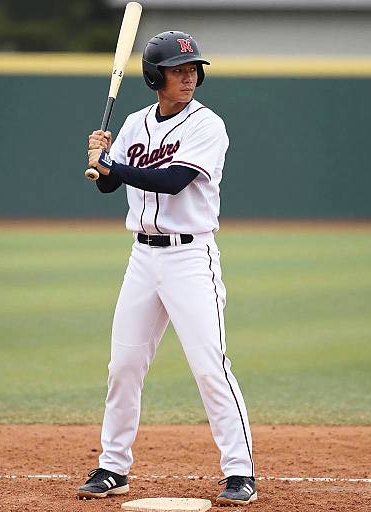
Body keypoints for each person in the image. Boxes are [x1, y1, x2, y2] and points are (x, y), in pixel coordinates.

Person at [77, 31, 256, 506]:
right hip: (142, 258)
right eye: (178, 70)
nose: (189, 76)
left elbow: (174, 181)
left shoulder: (207, 125)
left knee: (209, 366)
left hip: (189, 257)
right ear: (155, 77)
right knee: (124, 366)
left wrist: (114, 163)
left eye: (193, 68)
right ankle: (113, 466)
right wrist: (101, 162)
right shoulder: (135, 122)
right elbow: (108, 189)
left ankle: (240, 472)